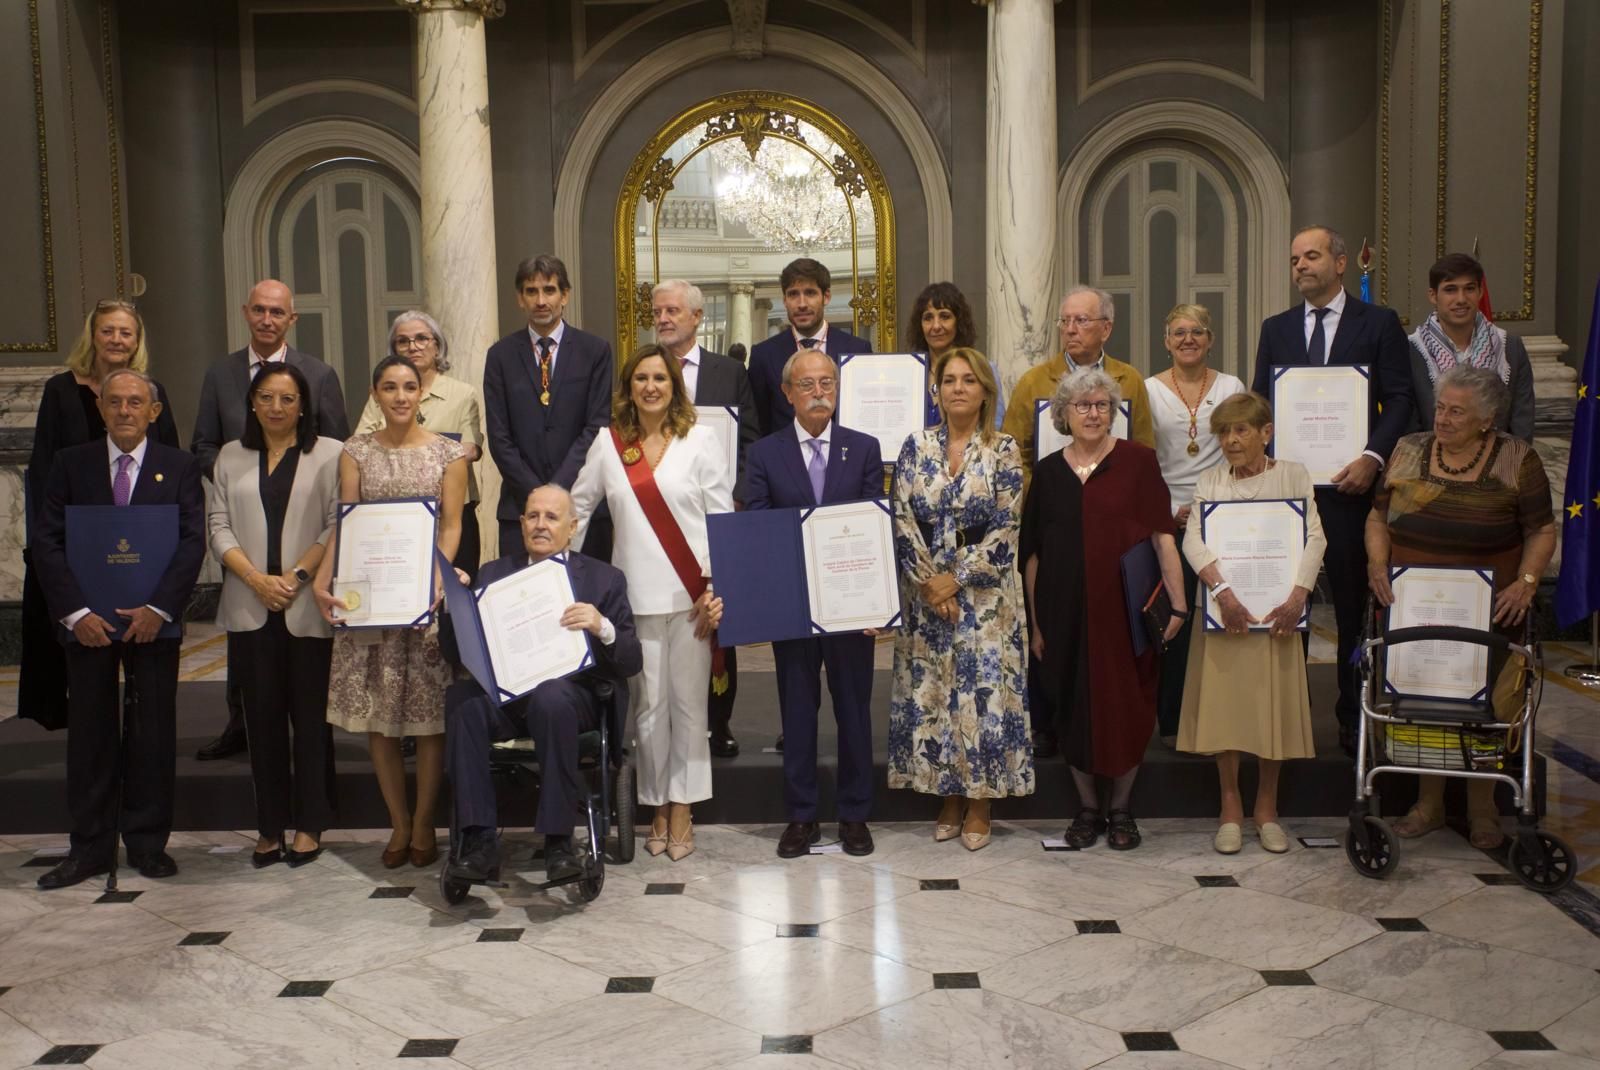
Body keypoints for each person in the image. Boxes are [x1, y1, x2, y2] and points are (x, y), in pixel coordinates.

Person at [1366, 366, 1555, 850]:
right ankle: (1428, 804)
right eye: (1441, 407)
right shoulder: (1408, 449)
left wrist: (1527, 582)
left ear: (1487, 419)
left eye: (1457, 412)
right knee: (1426, 699)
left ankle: (1482, 808)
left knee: (1485, 708)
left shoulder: (1517, 459)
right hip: (1414, 608)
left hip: (1491, 614)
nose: (1443, 419)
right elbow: (1378, 517)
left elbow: (1540, 529)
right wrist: (1377, 564)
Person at [30, 369, 206, 888]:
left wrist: (160, 609)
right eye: (114, 402)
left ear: (154, 412)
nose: (124, 410)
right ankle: (88, 848)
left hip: (154, 627)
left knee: (153, 733)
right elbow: (47, 541)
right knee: (90, 735)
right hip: (88, 626)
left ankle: (148, 844)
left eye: (135, 402)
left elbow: (191, 541)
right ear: (100, 408)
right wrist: (76, 614)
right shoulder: (71, 464)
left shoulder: (179, 466)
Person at [1251, 225, 1413, 757]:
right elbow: (1261, 403)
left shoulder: (1379, 323)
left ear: (1340, 263)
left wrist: (1372, 458)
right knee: (1287, 604)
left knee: (1350, 608)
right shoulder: (1276, 329)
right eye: (1295, 259)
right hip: (1290, 495)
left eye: (1312, 256)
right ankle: (1286, 713)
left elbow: (1401, 398)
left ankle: (1351, 716)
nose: (1300, 265)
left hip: (1350, 491)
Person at [571, 344, 732, 861]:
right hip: (633, 601)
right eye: (641, 378)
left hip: (692, 597)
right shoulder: (609, 443)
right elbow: (577, 510)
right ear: (628, 387)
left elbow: (721, 519)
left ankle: (683, 806)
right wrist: (557, 576)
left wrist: (716, 587)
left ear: (674, 385)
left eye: (660, 377)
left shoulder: (701, 439)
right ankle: (656, 804)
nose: (651, 387)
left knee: (689, 706)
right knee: (648, 709)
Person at [1021, 367, 1187, 851]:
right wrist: (1036, 624)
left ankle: (1122, 810)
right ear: (1064, 414)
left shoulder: (1139, 462)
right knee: (1072, 707)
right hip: (1064, 614)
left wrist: (1178, 606)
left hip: (1126, 615)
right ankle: (1088, 808)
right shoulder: (1048, 474)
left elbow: (1162, 537)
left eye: (1101, 405)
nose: (1093, 414)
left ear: (1114, 412)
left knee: (1128, 705)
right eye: (1082, 405)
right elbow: (1032, 555)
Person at [313, 355, 469, 869]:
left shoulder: (449, 453)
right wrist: (323, 579)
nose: (400, 396)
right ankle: (398, 822)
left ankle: (424, 823)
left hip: (421, 599)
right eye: (389, 387)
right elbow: (347, 521)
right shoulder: (355, 451)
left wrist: (435, 578)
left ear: (421, 393)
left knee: (428, 720)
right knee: (380, 719)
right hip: (372, 600)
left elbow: (451, 525)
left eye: (408, 387)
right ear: (375, 394)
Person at [443, 485, 642, 883]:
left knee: (551, 697)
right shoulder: (494, 575)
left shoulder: (603, 579)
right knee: (463, 701)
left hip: (573, 699)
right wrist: (454, 605)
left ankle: (559, 842)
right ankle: (479, 842)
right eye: (533, 516)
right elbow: (455, 653)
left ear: (572, 527)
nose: (540, 525)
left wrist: (602, 626)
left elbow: (631, 661)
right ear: (521, 524)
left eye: (552, 517)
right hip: (509, 700)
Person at [191, 279, 350, 763]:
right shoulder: (220, 374)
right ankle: (238, 725)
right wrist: (240, 480)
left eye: (276, 312)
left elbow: (341, 460)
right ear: (246, 312)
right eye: (259, 309)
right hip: (245, 530)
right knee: (253, 678)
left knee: (308, 700)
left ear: (291, 319)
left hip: (306, 539)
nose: (266, 319)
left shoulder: (319, 374)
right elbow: (203, 443)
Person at [1002, 285, 1157, 760]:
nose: (1070, 329)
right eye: (1065, 321)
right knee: (1052, 622)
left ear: (1106, 328)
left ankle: (1114, 722)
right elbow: (1013, 453)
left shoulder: (1130, 381)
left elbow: (1145, 450)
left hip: (1116, 524)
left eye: (1082, 321)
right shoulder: (1034, 381)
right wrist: (1047, 494)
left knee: (1110, 628)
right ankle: (1048, 722)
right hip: (1054, 517)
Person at [889, 347, 1033, 851]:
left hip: (986, 599)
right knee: (934, 695)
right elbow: (901, 518)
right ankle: (946, 794)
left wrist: (957, 579)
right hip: (926, 597)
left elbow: (1006, 526)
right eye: (949, 380)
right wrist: (930, 583)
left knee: (981, 697)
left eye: (968, 380)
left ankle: (979, 801)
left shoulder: (1004, 449)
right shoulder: (915, 446)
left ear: (985, 391)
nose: (957, 388)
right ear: (937, 391)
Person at [745, 348, 885, 858]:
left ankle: (855, 815)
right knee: (798, 715)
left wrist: (875, 603)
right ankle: (801, 817)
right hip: (794, 607)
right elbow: (759, 528)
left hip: (850, 607)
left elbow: (873, 526)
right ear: (788, 393)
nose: (819, 392)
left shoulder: (863, 448)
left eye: (827, 382)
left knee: (854, 712)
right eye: (807, 384)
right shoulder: (765, 454)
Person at [21, 300, 180, 732]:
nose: (116, 339)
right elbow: (43, 466)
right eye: (107, 330)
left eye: (125, 332)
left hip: (138, 546)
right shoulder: (61, 390)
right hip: (78, 545)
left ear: (137, 340)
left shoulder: (154, 391)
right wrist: (47, 538)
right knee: (82, 660)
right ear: (92, 335)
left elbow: (169, 462)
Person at [1179, 392, 1327, 854]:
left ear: (1266, 432)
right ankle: (1230, 807)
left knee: (1271, 712)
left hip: (1277, 615)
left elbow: (1315, 538)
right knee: (1226, 711)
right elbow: (1193, 542)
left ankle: (1266, 808)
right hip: (1226, 616)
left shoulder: (1293, 475)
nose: (1231, 440)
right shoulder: (1210, 480)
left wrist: (1297, 596)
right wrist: (1224, 595)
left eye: (1241, 430)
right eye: (1224, 432)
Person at [208, 363, 343, 867]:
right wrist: (257, 580)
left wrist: (296, 577)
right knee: (261, 723)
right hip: (251, 603)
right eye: (266, 397)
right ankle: (269, 828)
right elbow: (218, 525)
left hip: (306, 603)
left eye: (288, 398)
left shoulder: (331, 453)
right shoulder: (230, 455)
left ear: (303, 405)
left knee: (310, 721)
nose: (276, 407)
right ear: (252, 403)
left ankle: (310, 824)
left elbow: (337, 522)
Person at [652, 279, 760, 759]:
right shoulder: (645, 369)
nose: (663, 319)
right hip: (660, 518)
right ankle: (667, 723)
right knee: (665, 616)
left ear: (697, 317)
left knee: (717, 619)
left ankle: (719, 723)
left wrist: (736, 500)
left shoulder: (729, 372)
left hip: (715, 516)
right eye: (658, 312)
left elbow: (750, 440)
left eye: (672, 311)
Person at [1146, 304, 1247, 742]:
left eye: (1198, 331)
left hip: (1221, 517)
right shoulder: (1149, 390)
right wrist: (1167, 511)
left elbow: (1240, 451)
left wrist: (1212, 506)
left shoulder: (1231, 386)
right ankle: (1171, 722)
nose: (1188, 339)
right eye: (1179, 332)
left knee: (1222, 620)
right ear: (1166, 341)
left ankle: (1222, 717)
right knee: (1176, 621)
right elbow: (1144, 460)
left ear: (1210, 340)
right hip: (1165, 520)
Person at [483, 254, 613, 559]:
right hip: (521, 508)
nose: (541, 301)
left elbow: (596, 427)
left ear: (564, 295)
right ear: (520, 298)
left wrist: (557, 489)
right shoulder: (500, 356)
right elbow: (499, 436)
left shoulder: (594, 351)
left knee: (584, 588)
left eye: (549, 290)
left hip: (582, 502)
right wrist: (536, 495)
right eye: (531, 291)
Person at [355, 311, 486, 579]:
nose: (412, 346)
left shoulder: (462, 394)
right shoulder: (382, 394)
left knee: (452, 592)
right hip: (393, 512)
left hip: (451, 512)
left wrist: (403, 447)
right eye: (403, 341)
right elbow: (361, 446)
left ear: (437, 346)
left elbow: (470, 449)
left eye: (422, 339)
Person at [1407, 252, 1535, 442]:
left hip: (1499, 458)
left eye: (1469, 289)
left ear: (1480, 292)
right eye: (1450, 290)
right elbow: (1410, 429)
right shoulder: (1410, 350)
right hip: (1431, 457)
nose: (1461, 299)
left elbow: (1522, 425)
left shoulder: (1510, 348)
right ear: (1433, 295)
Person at [748, 258, 873, 436]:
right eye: (793, 294)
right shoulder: (764, 355)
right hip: (784, 452)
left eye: (810, 293)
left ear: (826, 297)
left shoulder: (857, 350)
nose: (802, 304)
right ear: (784, 300)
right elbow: (759, 425)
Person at [906, 281, 1004, 428]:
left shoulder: (983, 369)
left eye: (945, 317)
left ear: (959, 322)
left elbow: (994, 425)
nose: (936, 326)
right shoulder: (909, 373)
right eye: (928, 318)